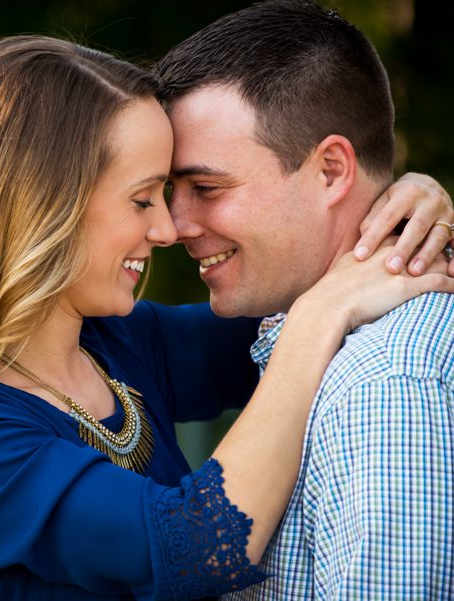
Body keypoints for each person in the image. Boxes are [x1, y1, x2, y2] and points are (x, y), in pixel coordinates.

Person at [0, 35, 454, 600]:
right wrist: (320, 316)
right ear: (42, 210)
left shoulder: (114, 341)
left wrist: (405, 214)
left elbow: (300, 279)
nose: (166, 229)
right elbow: (194, 548)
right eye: (142, 198)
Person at [152, 1, 454, 598]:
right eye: (166, 191)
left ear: (332, 171)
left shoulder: (384, 388)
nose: (172, 226)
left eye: (206, 188)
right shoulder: (301, 337)